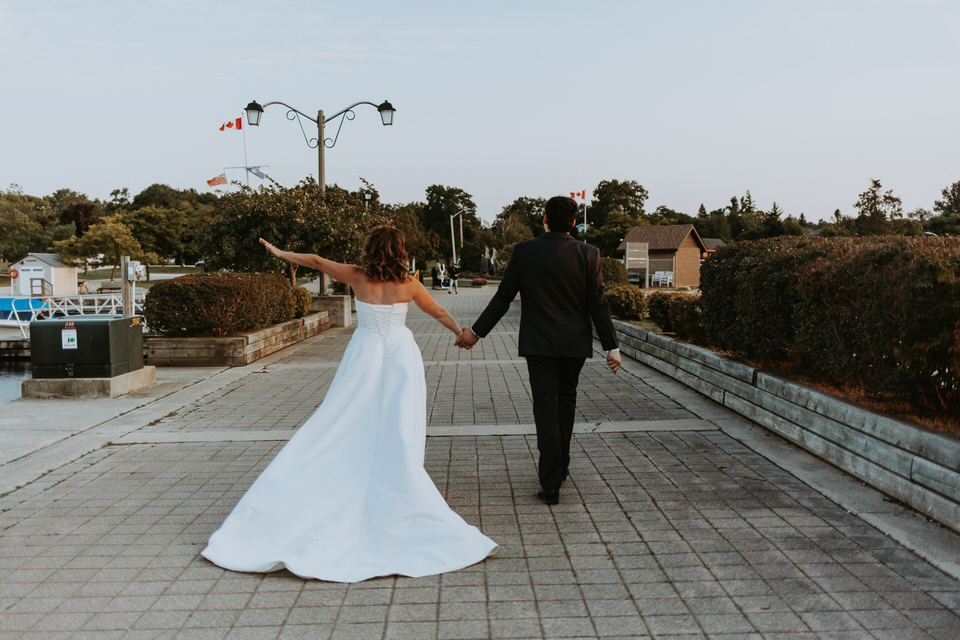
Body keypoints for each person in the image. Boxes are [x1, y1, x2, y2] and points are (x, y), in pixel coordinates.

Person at [202, 226, 497, 582]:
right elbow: (437, 312)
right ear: (400, 251)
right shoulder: (410, 283)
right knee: (398, 423)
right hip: (401, 355)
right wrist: (461, 334)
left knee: (344, 416)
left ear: (371, 249)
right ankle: (398, 476)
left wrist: (281, 254)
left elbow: (314, 261)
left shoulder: (357, 276)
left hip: (366, 351)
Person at [456, 196, 621, 505]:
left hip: (539, 345)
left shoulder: (524, 252)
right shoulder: (589, 254)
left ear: (544, 219)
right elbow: (598, 302)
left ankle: (550, 481)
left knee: (546, 407)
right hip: (574, 346)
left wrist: (476, 333)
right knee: (566, 403)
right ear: (574, 222)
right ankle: (561, 466)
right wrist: (612, 347)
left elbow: (504, 297)